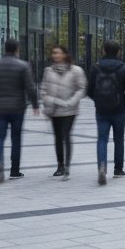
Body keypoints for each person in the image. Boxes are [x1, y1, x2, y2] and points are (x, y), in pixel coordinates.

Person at [0, 38, 38, 181]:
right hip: (18, 107)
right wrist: (36, 104)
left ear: (4, 48)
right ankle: (14, 170)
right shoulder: (23, 66)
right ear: (17, 49)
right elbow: (30, 87)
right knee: (16, 138)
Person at [87, 39, 125, 186]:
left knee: (102, 139)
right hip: (119, 109)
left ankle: (102, 165)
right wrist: (123, 102)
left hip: (101, 110)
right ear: (119, 52)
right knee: (118, 139)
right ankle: (118, 169)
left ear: (103, 50)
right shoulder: (124, 68)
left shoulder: (96, 67)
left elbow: (89, 90)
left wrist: (97, 101)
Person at [40, 46, 86, 180]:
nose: (55, 55)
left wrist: (72, 101)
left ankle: (67, 166)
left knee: (66, 135)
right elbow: (43, 90)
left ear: (65, 55)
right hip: (54, 110)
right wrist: (50, 99)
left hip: (69, 109)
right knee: (58, 137)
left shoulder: (76, 71)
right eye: (53, 53)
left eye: (58, 53)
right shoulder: (48, 71)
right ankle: (60, 165)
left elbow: (81, 88)